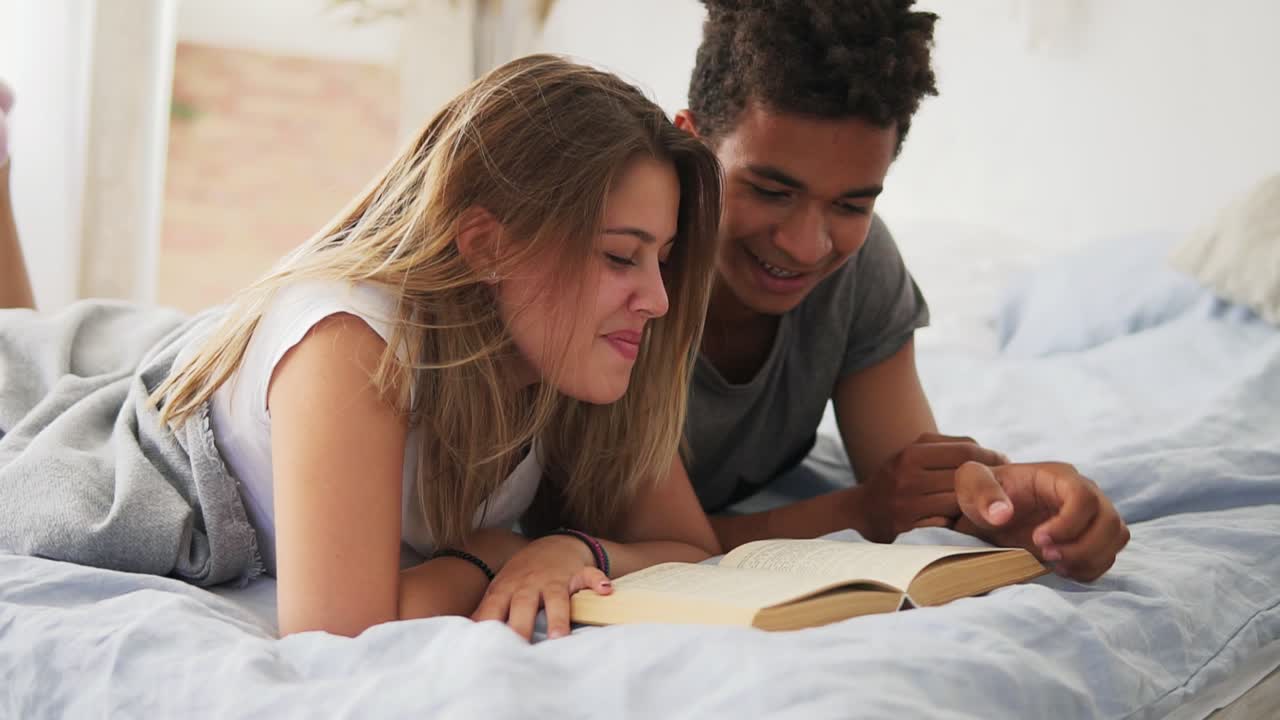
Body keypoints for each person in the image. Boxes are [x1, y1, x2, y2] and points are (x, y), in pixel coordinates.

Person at [0, 56, 726, 640]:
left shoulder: (572, 354)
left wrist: (575, 551)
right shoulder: (351, 344)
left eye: (661, 258)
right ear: (487, 246)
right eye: (619, 258)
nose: (657, 301)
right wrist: (492, 553)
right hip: (89, 389)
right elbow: (340, 633)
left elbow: (694, 555)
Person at [672, 0, 1130, 581]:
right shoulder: (620, 281)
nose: (806, 246)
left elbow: (914, 487)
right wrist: (857, 512)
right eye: (770, 191)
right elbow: (651, 541)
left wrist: (1014, 510)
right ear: (688, 149)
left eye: (851, 204)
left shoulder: (859, 270)